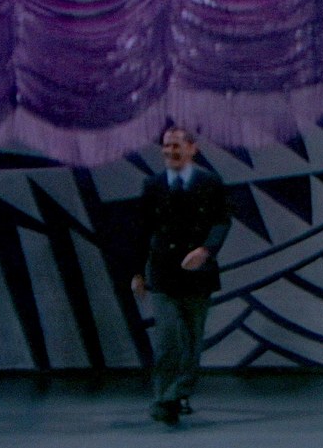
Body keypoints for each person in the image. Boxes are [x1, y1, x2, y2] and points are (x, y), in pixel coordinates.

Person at [131, 126, 232, 426]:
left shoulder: (209, 182)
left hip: (197, 274)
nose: (169, 151)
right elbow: (142, 230)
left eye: (176, 146)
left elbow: (222, 221)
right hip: (163, 274)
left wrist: (206, 250)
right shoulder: (153, 185)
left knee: (191, 340)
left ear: (192, 148)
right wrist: (137, 272)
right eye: (166, 146)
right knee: (168, 338)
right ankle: (163, 398)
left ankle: (179, 393)